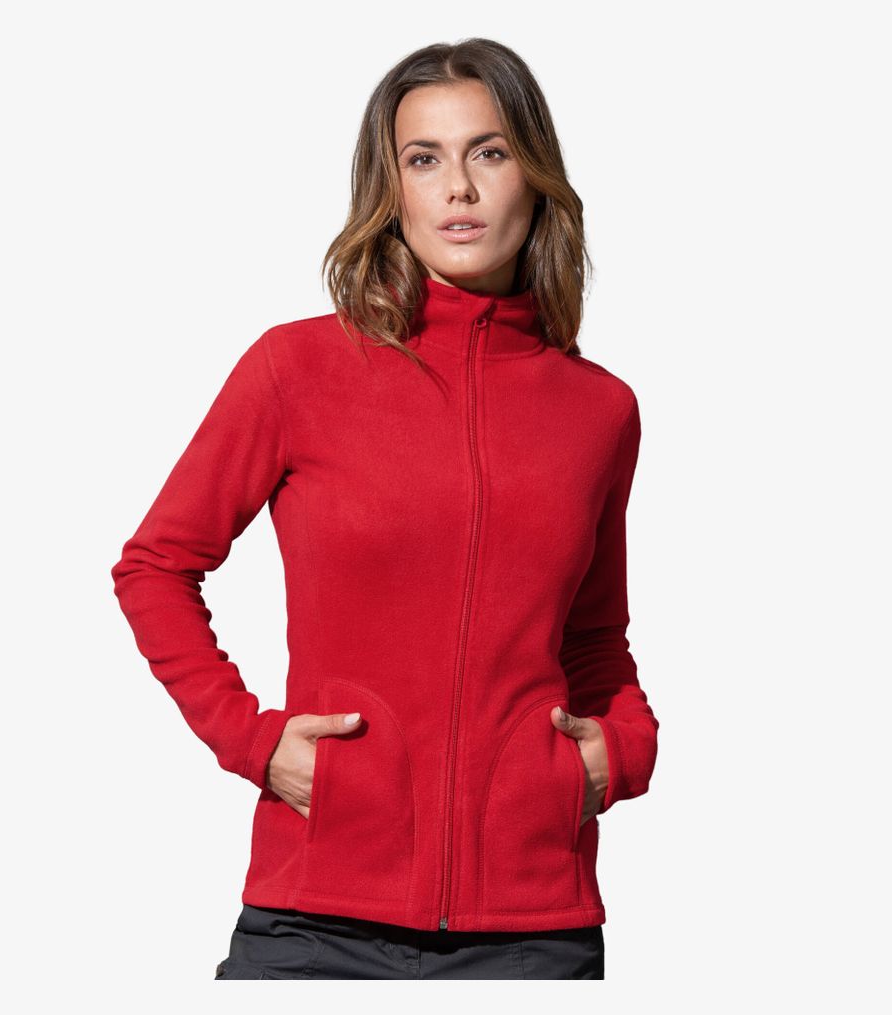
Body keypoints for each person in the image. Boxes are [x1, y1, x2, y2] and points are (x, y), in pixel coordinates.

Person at [111, 37, 659, 980]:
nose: (459, 187)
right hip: (313, 915)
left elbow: (592, 635)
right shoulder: (296, 369)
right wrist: (251, 741)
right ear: (391, 189)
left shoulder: (598, 409)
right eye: (424, 158)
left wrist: (624, 749)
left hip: (531, 927)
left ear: (534, 177)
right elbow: (155, 565)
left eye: (489, 152)